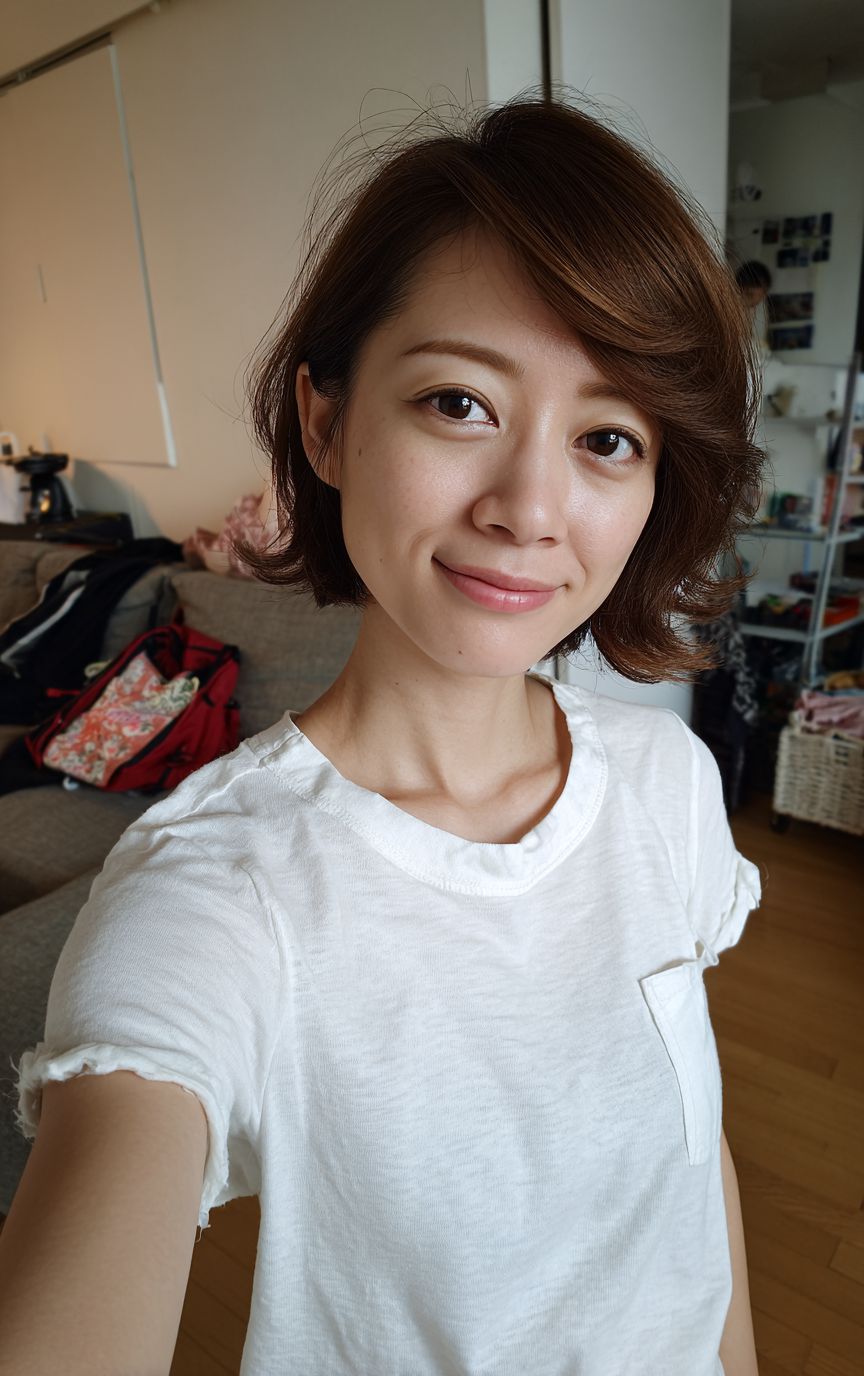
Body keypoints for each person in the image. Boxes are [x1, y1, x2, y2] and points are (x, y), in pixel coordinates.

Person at [0, 95, 765, 1375]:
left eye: (607, 437)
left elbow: (693, 1161)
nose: (530, 507)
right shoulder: (216, 893)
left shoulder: (666, 782)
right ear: (326, 423)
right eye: (460, 403)